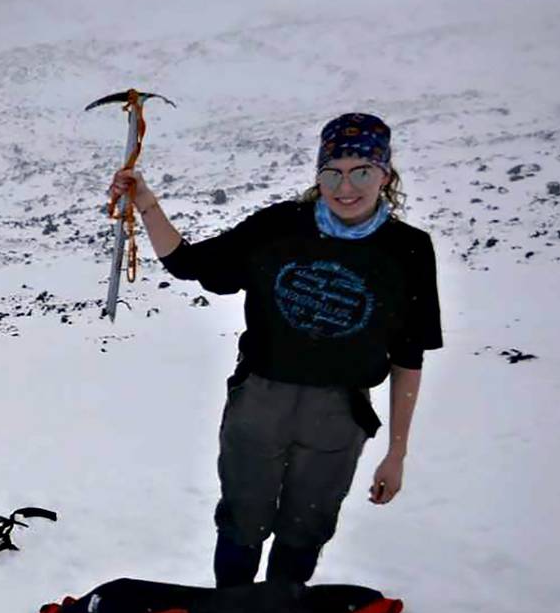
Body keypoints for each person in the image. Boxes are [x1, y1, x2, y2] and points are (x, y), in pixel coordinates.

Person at [109, 113, 443, 586]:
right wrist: (146, 203)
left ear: (385, 174)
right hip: (261, 398)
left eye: (361, 171)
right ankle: (233, 604)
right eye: (332, 173)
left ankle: (281, 607)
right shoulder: (281, 227)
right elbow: (190, 264)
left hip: (340, 410)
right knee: (243, 514)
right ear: (318, 176)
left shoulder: (408, 249)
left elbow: (409, 356)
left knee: (310, 521)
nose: (345, 187)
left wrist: (397, 453)